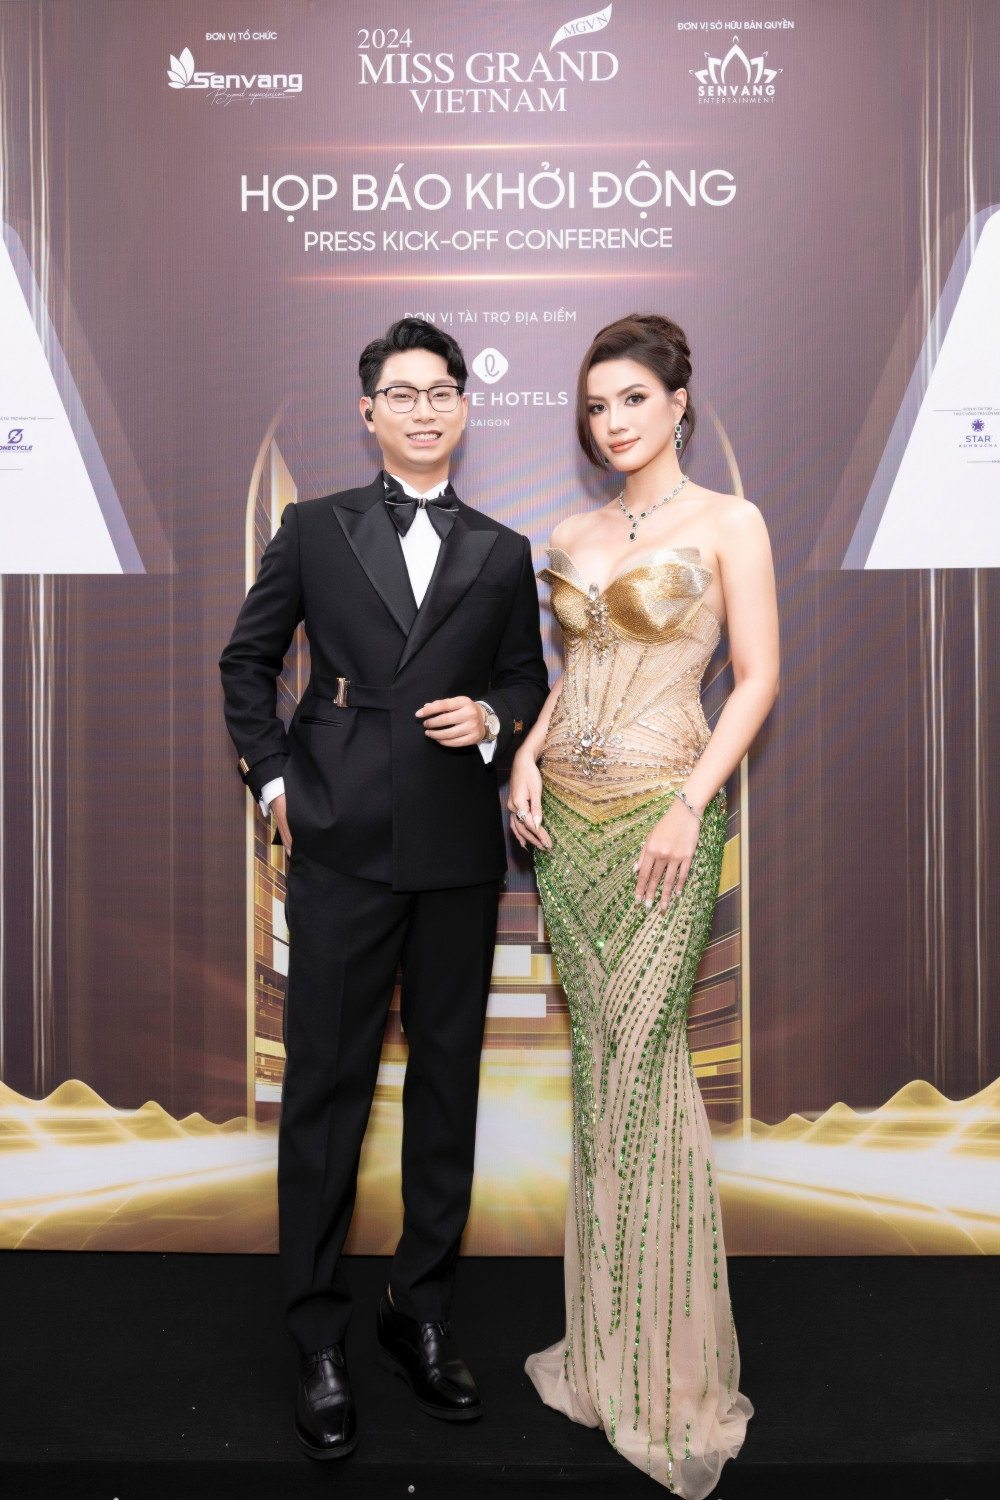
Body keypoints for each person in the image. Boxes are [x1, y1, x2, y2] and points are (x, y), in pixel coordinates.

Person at [220, 318, 548, 1460]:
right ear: (368, 413)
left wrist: (494, 717)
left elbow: (526, 679)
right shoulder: (313, 528)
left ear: (465, 406)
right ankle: (317, 1336)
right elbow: (246, 662)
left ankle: (422, 1312)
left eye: (440, 391)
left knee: (446, 1089)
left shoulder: (502, 549)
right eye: (399, 393)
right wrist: (275, 784)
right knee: (326, 1091)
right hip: (341, 842)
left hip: (457, 850)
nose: (422, 409)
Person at [509, 314, 778, 1497]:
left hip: (665, 821)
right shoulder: (569, 534)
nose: (610, 421)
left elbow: (756, 677)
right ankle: (607, 1348)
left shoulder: (729, 521)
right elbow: (575, 673)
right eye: (594, 405)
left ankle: (668, 1375)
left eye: (630, 399)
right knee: (601, 1072)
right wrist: (526, 753)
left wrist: (690, 803)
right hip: (565, 829)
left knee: (644, 1067)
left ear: (678, 403)